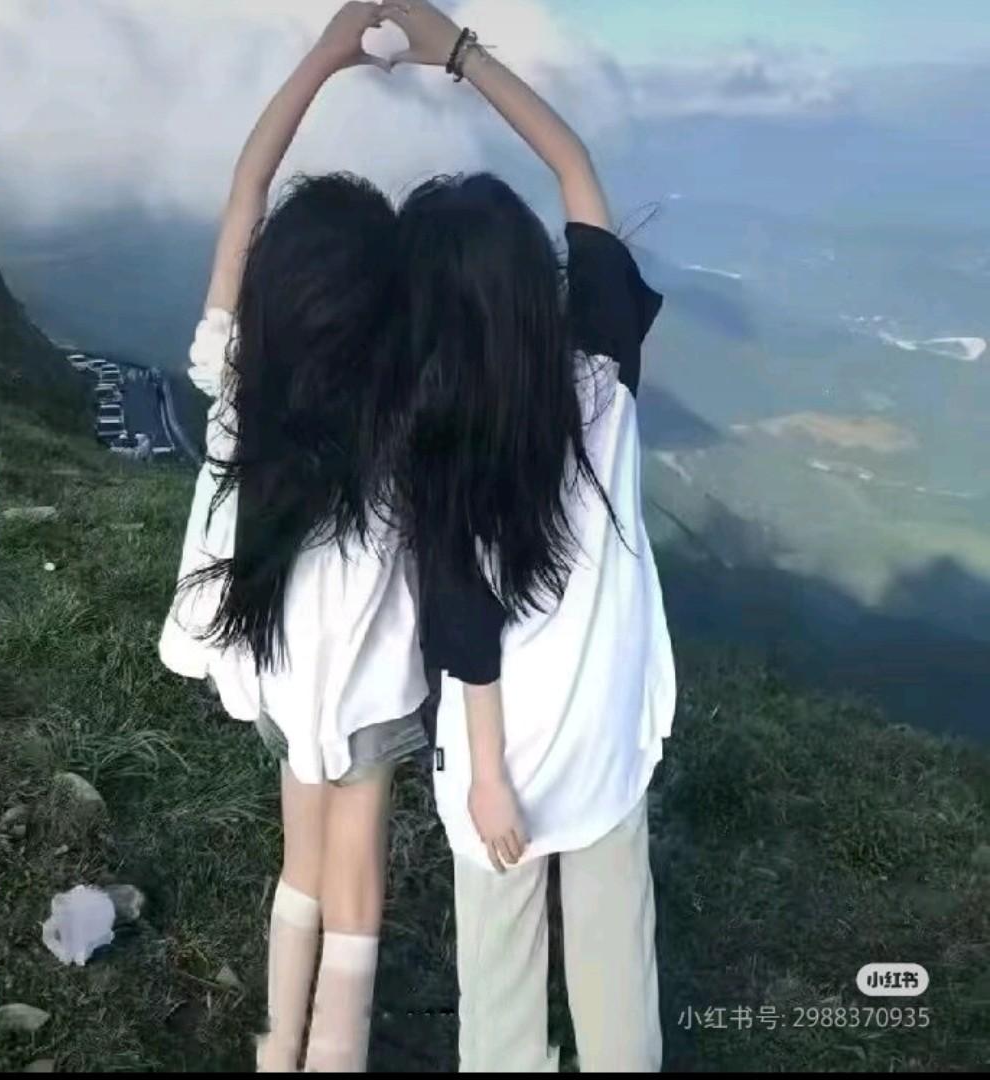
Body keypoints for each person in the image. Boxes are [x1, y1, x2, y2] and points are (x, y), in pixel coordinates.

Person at [378, 1, 676, 1072]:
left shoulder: (438, 444)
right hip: (604, 737)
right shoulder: (603, 379)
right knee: (616, 965)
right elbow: (576, 171)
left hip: (502, 761)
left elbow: (465, 628)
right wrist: (457, 53)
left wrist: (492, 779)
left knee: (500, 991)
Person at [157, 4, 429, 1071]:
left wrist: (323, 57)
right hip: (367, 688)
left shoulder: (242, 383)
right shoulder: (401, 415)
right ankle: (335, 1053)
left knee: (301, 854)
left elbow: (246, 191)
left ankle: (281, 1048)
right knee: (356, 874)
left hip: (273, 674)